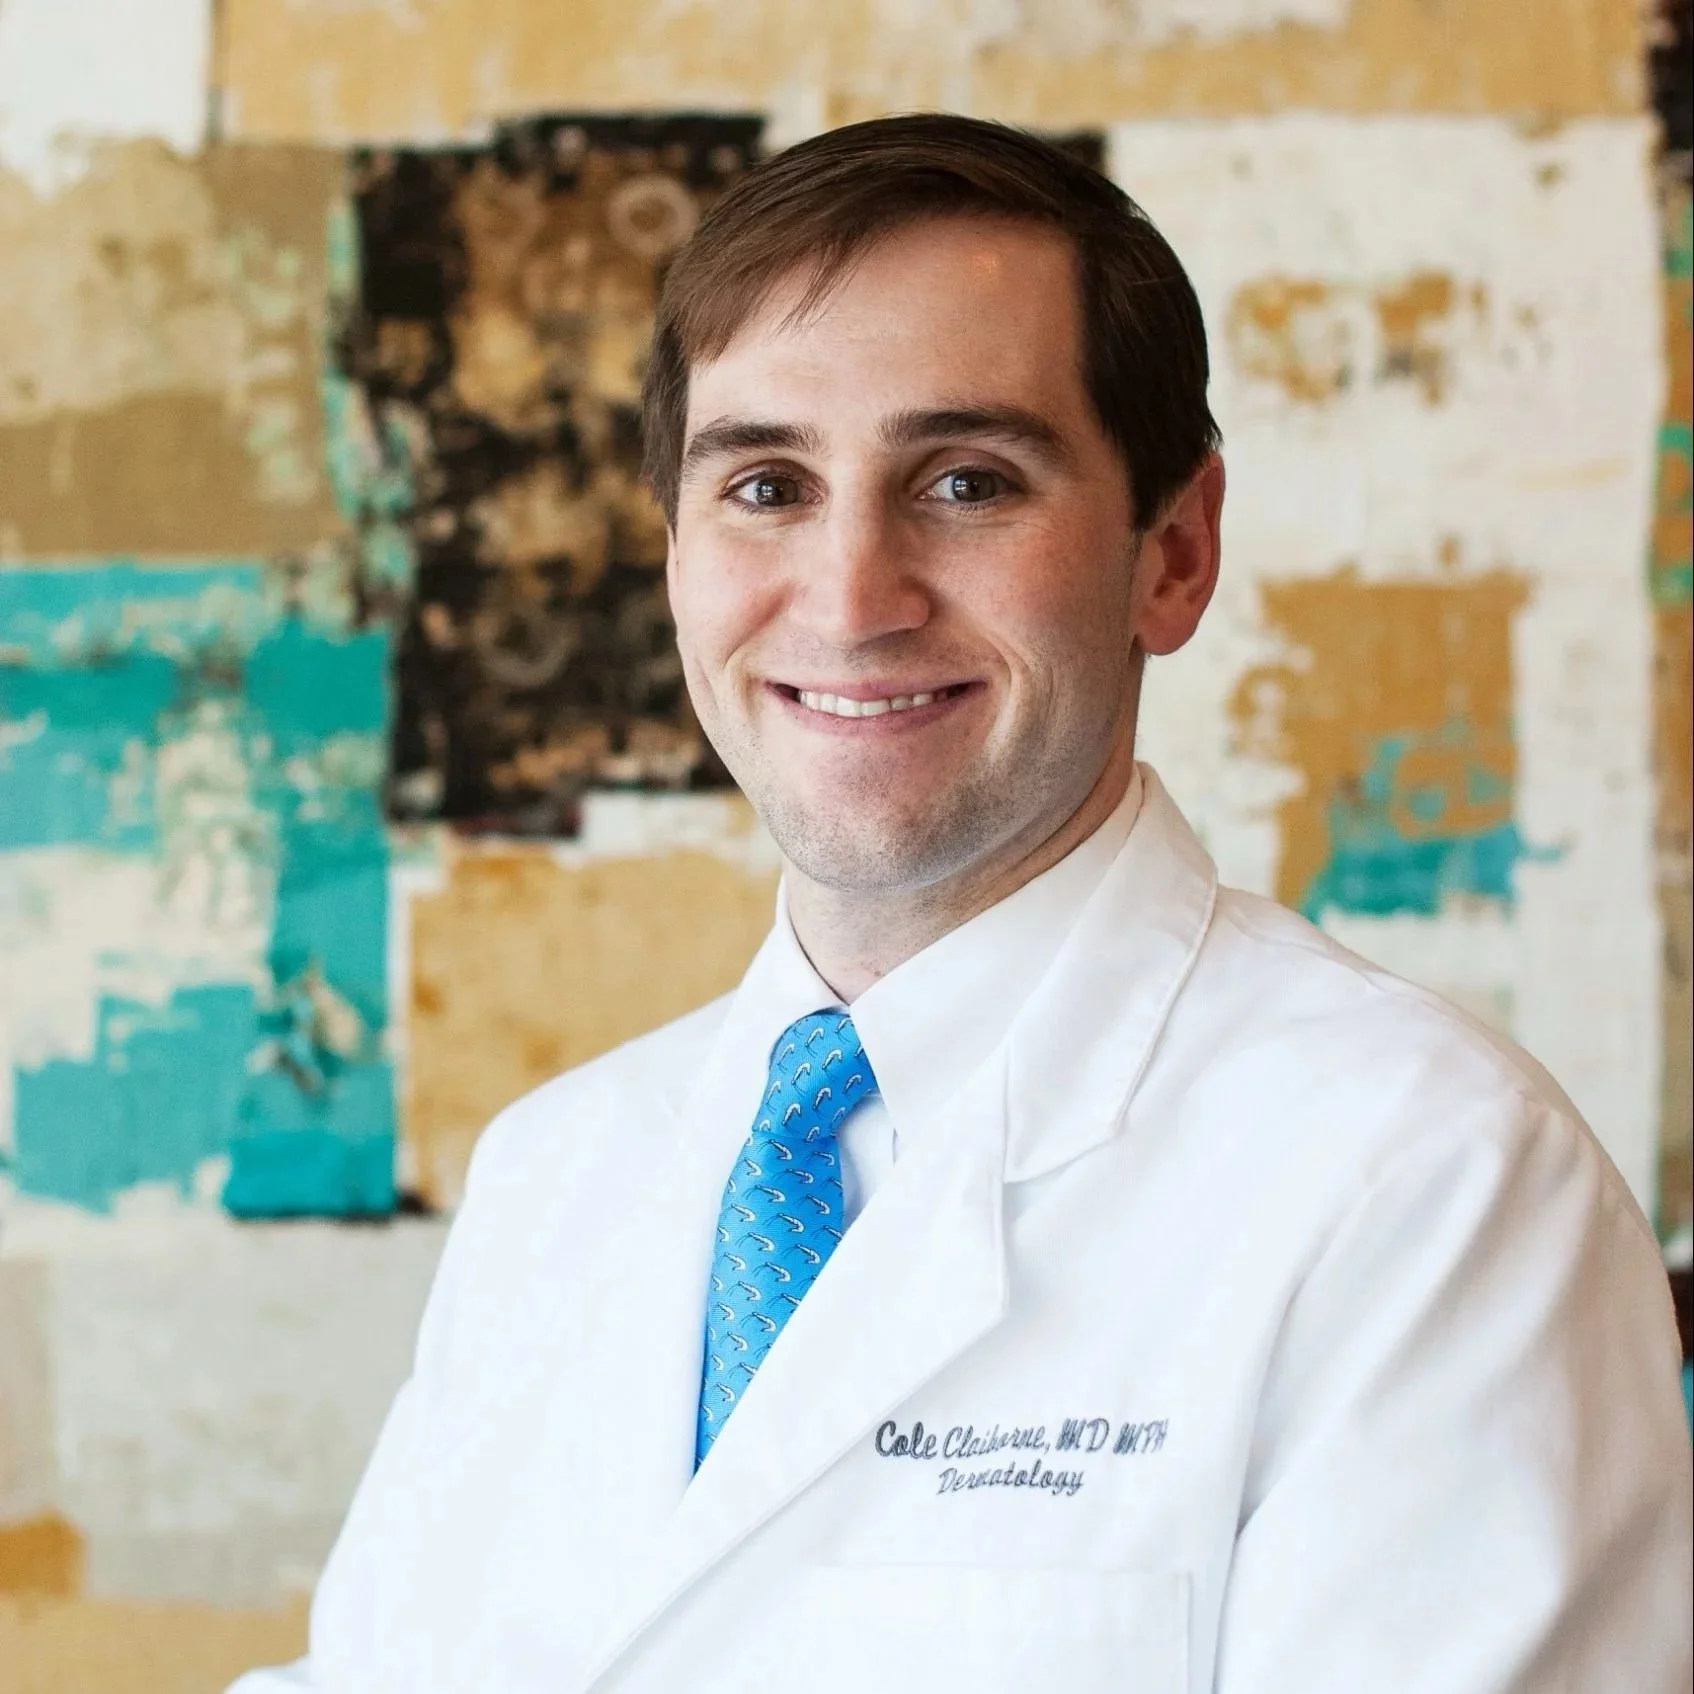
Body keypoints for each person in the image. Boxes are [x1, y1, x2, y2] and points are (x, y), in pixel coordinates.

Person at [232, 114, 1691, 1694]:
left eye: (966, 480)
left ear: (1173, 553)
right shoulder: (555, 1176)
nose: (852, 597)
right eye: (768, 485)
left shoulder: (1430, 1185)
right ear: (672, 557)